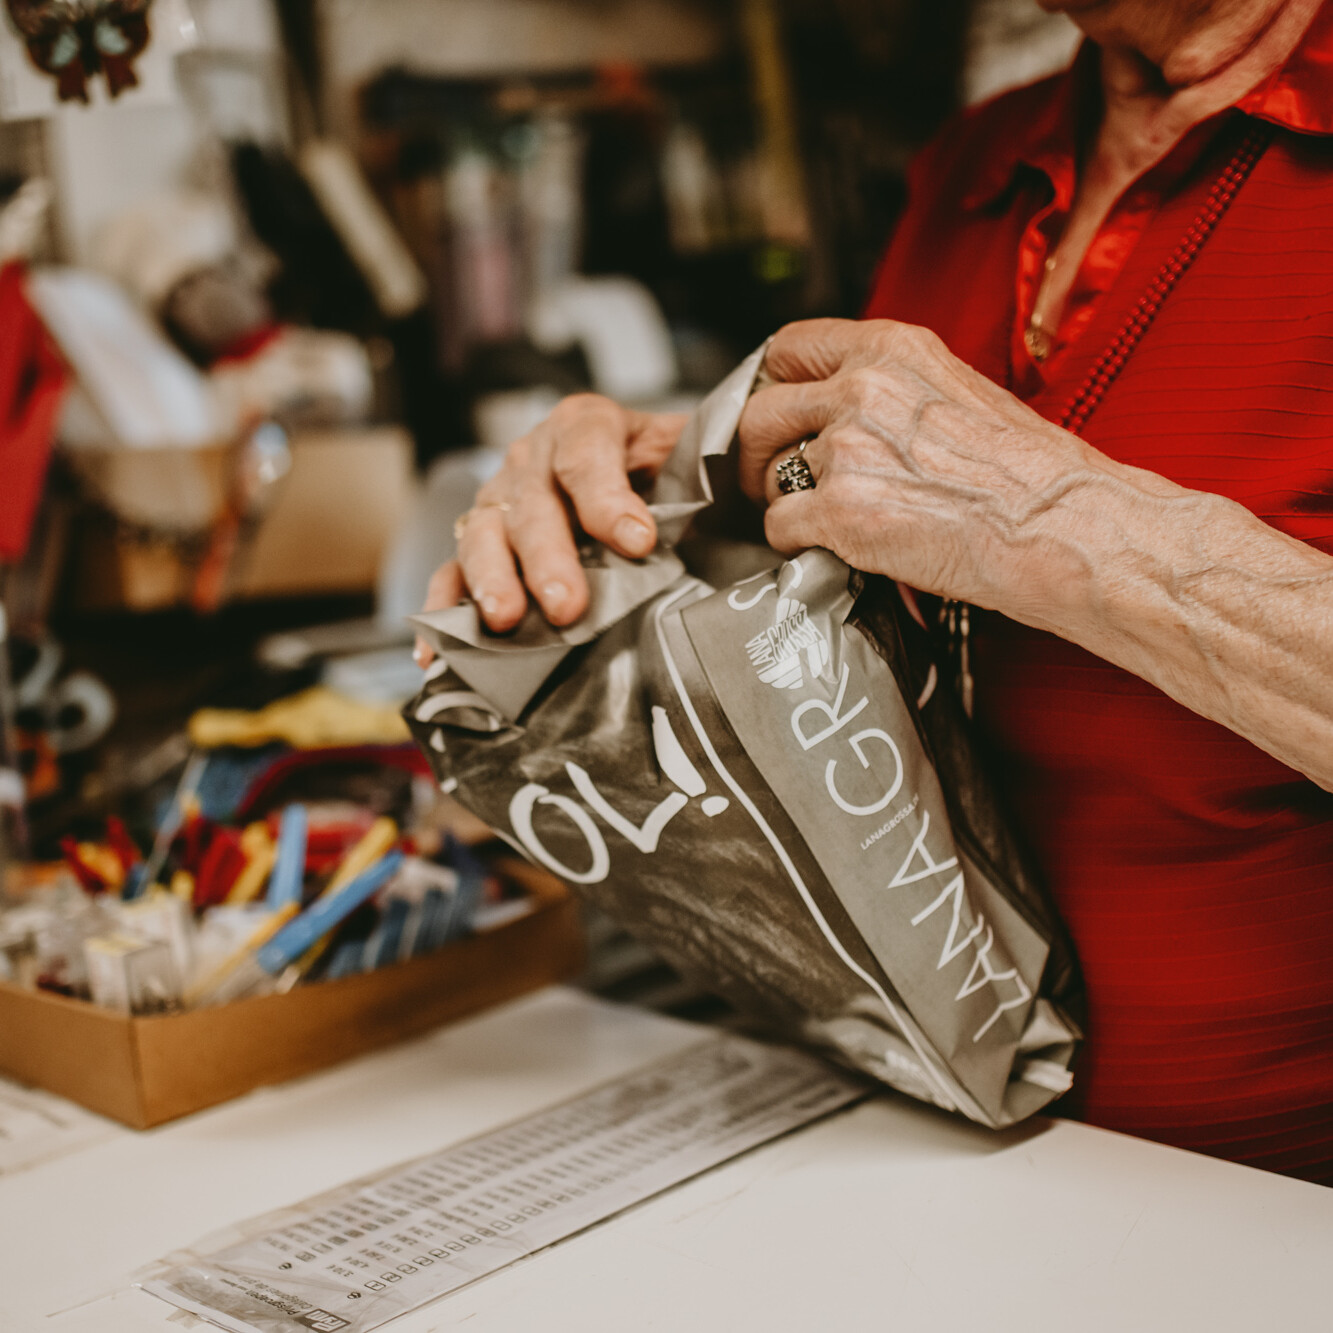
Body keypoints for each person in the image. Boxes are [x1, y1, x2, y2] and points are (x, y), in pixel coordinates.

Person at [423, 0, 1333, 1185]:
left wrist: (1054, 520)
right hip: (931, 1156)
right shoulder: (975, 163)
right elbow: (878, 549)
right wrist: (638, 487)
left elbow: (993, 501)